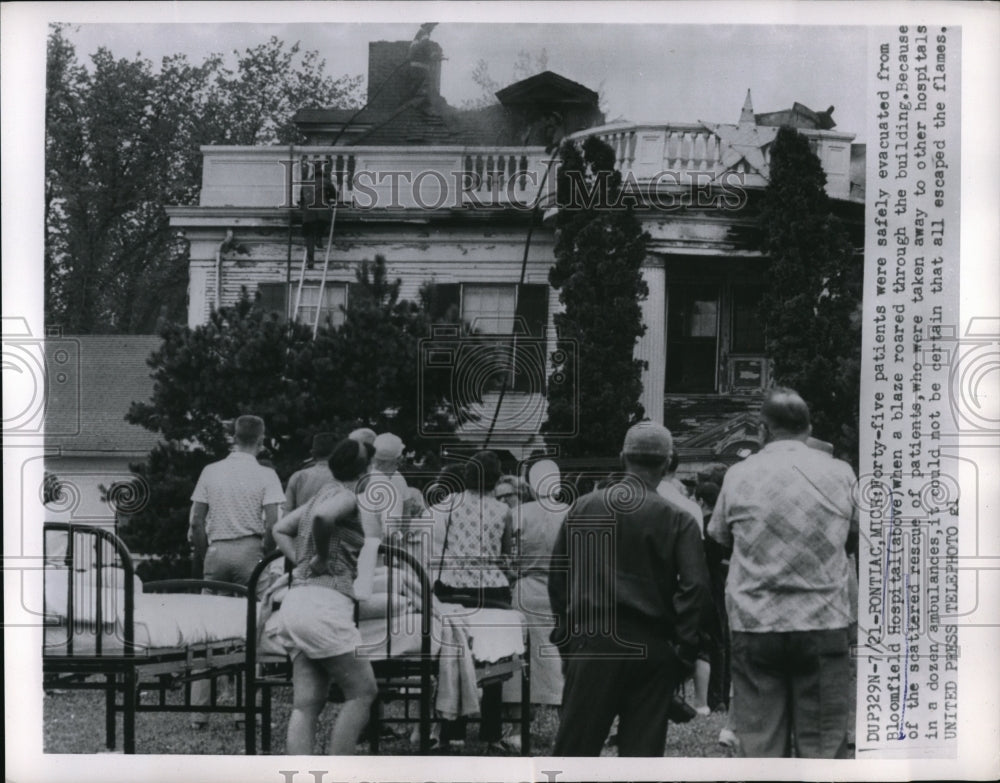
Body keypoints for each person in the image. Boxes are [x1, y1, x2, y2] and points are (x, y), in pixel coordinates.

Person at [708, 387, 858, 758]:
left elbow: (719, 537)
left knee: (760, 744)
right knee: (823, 745)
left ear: (762, 429)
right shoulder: (840, 473)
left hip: (756, 622)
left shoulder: (738, 474)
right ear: (809, 428)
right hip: (823, 620)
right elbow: (852, 538)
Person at [548, 423, 711, 756]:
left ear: (623, 457)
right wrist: (683, 651)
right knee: (641, 758)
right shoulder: (679, 519)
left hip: (593, 642)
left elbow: (558, 580)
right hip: (651, 645)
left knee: (574, 753)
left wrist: (568, 639)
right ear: (667, 464)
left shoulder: (582, 508)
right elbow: (696, 588)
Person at [271, 438, 382, 755]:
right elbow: (323, 518)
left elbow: (280, 528)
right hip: (325, 604)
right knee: (362, 692)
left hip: (296, 603)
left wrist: (302, 562)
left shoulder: (320, 495)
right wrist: (319, 557)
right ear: (367, 470)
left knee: (306, 704)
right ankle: (340, 771)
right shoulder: (347, 498)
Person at [188, 415, 285, 727]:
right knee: (251, 629)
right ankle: (247, 709)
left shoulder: (211, 471)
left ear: (233, 437)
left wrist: (207, 555)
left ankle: (199, 710)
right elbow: (273, 523)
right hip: (250, 549)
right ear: (261, 439)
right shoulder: (265, 475)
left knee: (204, 628)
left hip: (217, 549)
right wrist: (264, 554)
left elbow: (196, 521)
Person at [430, 450, 513, 747]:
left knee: (453, 655)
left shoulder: (447, 506)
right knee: (495, 656)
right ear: (496, 478)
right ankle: (491, 732)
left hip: (453, 586)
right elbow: (505, 554)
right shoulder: (503, 510)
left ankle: (452, 730)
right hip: (491, 588)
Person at [499, 460, 568, 750]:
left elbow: (507, 558)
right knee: (559, 657)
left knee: (520, 657)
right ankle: (567, 725)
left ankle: (515, 729)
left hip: (525, 588)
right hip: (561, 591)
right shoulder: (571, 512)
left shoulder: (516, 514)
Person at [656, 449, 712, 716]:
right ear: (675, 469)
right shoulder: (690, 506)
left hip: (653, 582)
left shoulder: (645, 500)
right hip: (683, 582)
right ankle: (694, 699)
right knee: (692, 642)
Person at [285, 432, 337, 512]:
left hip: (301, 523)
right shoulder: (345, 478)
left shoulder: (298, 476)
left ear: (312, 453)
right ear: (338, 453)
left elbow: (286, 511)